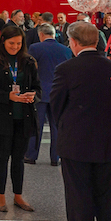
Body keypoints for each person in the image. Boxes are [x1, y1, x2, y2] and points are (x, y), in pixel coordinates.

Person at [50, 20, 111, 221]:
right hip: (107, 140)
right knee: (106, 196)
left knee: (78, 196)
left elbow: (56, 105)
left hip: (76, 141)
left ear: (73, 42)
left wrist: (65, 125)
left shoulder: (67, 68)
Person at [0, 24, 38, 211]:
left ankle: (18, 196)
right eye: (11, 43)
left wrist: (33, 95)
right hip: (2, 116)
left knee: (19, 159)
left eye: (19, 43)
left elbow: (38, 86)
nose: (15, 47)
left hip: (24, 116)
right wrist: (7, 96)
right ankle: (1, 197)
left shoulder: (28, 61)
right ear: (3, 41)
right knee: (2, 156)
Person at [26, 23, 68, 165]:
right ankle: (55, 158)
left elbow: (29, 69)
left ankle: (31, 156)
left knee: (36, 125)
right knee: (56, 126)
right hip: (59, 93)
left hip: (40, 92)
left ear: (41, 34)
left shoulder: (35, 48)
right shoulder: (65, 50)